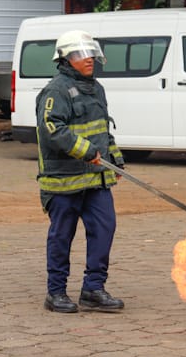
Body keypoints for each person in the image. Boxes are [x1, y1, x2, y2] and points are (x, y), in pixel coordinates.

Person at [36, 30, 125, 313]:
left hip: (96, 179)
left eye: (90, 54)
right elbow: (51, 130)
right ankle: (56, 292)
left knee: (104, 228)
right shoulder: (56, 91)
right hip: (63, 181)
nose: (88, 60)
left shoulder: (96, 88)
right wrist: (84, 150)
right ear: (65, 58)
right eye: (79, 54)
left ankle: (93, 289)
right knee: (62, 235)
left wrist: (116, 159)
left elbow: (102, 130)